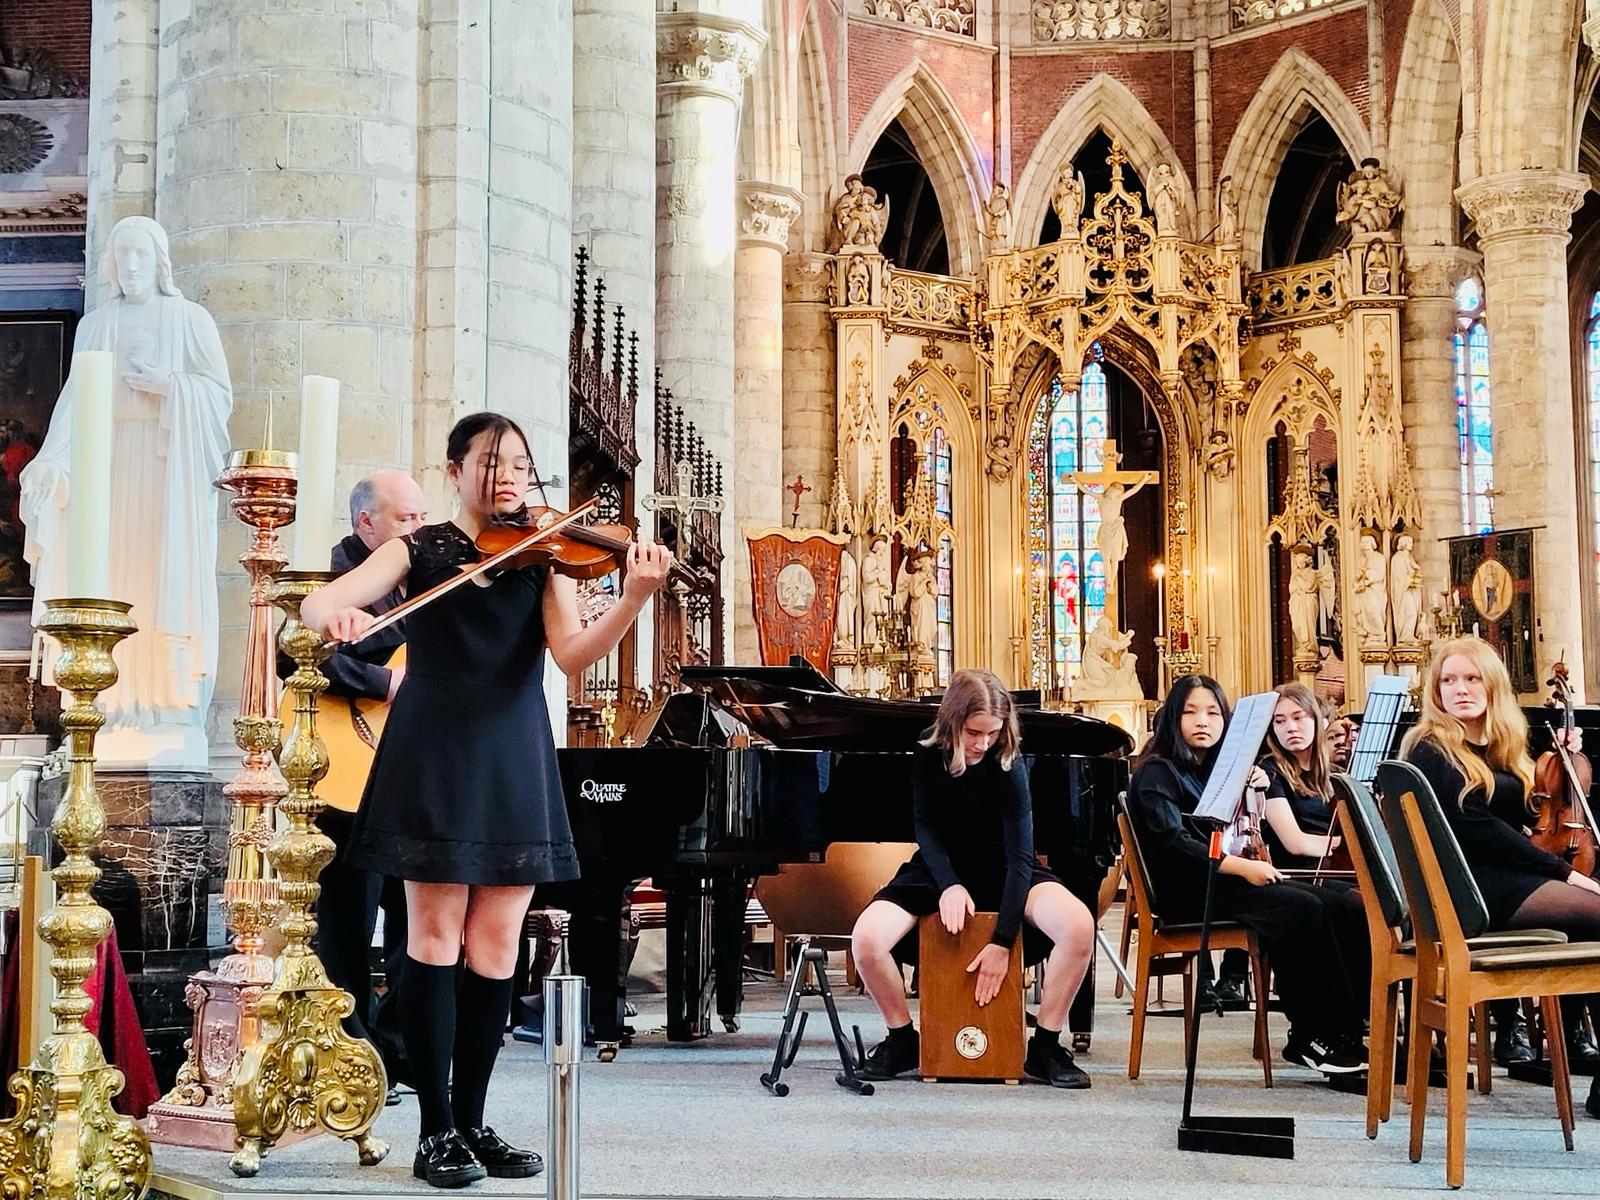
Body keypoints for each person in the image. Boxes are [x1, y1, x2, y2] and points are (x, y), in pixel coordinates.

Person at [301, 413, 671, 1187]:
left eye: (520, 466)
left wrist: (634, 598)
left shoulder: (543, 554)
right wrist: (335, 615)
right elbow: (319, 604)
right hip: (432, 752)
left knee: (498, 944)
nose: (509, 478)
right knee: (434, 936)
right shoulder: (419, 548)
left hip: (511, 753)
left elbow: (571, 656)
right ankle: (435, 1128)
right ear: (455, 470)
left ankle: (472, 1120)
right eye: (492, 463)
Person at [851, 669, 1096, 1088]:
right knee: (867, 939)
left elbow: (1020, 856)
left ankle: (1045, 1047)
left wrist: (1002, 941)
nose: (983, 743)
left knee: (1079, 926)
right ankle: (902, 1039)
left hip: (1007, 869)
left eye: (992, 733)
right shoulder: (928, 752)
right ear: (952, 722)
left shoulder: (1008, 761)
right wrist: (948, 884)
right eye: (974, 733)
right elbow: (926, 827)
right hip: (940, 868)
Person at [1126, 675, 1367, 1076]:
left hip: (1220, 880)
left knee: (1340, 903)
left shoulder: (1214, 770)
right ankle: (1313, 1036)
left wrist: (1252, 789)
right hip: (1187, 889)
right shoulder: (1157, 771)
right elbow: (1175, 844)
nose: (1202, 721)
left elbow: (1234, 829)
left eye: (1213, 713)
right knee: (1300, 907)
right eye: (1190, 712)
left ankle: (1349, 1031)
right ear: (1172, 718)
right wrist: (1244, 868)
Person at [1400, 637, 1600, 1112]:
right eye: (1448, 680)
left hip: (1498, 880)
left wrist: (1558, 763)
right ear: (1435, 691)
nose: (1460, 689)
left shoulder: (1497, 746)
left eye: (1472, 678)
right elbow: (1477, 828)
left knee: (1591, 925)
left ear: (1493, 686)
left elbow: (1528, 815)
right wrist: (1563, 872)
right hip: (1467, 891)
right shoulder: (1429, 748)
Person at [292, 470, 428, 1103]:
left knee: (413, 917)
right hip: (345, 775)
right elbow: (297, 655)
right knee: (347, 922)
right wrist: (385, 684)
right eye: (405, 520)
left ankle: (400, 1050)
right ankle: (355, 1051)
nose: (417, 531)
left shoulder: (423, 580)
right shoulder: (331, 579)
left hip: (409, 774)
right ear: (366, 523)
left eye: (421, 518)